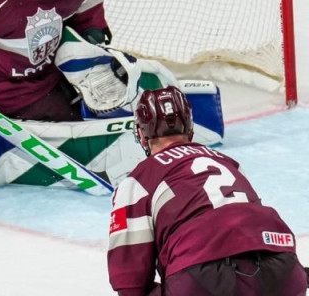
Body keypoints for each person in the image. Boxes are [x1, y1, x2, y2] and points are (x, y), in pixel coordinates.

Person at [108, 86, 308, 295]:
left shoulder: (138, 180)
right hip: (284, 267)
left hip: (202, 275)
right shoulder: (230, 163)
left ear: (141, 134)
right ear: (189, 128)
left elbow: (129, 281)